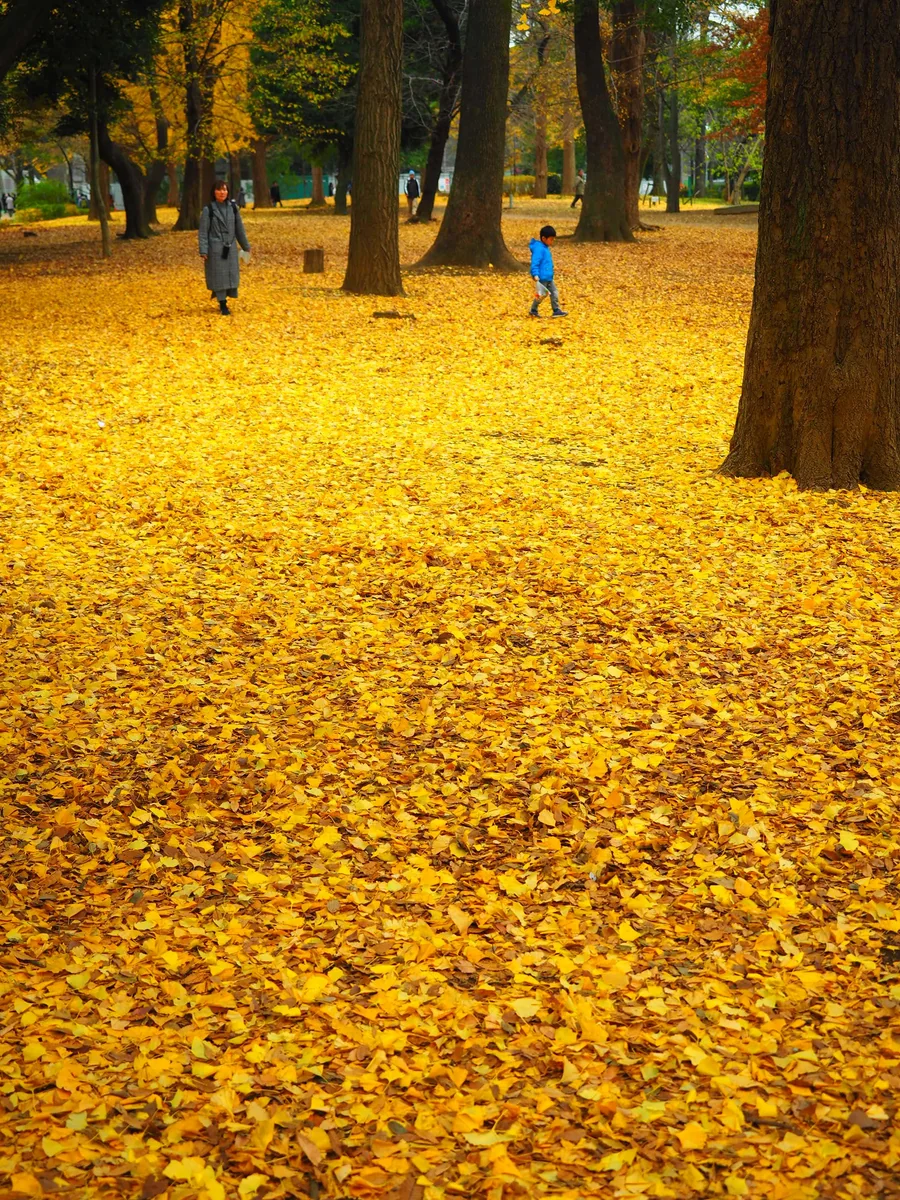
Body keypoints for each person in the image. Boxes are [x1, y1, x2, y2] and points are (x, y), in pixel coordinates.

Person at [198, 179, 251, 316]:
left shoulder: (233, 208)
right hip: (215, 248)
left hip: (231, 247)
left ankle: (226, 298)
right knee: (219, 277)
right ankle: (222, 304)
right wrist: (203, 250)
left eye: (225, 189)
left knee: (230, 275)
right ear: (214, 192)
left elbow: (240, 229)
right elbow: (203, 232)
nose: (222, 192)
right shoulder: (208, 210)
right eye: (220, 189)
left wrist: (246, 246)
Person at [528, 225, 567, 319]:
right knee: (541, 295)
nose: (552, 242)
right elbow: (535, 262)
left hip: (549, 277)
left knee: (554, 292)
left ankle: (556, 310)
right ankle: (533, 309)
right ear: (543, 238)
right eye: (551, 239)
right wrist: (535, 274)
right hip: (542, 277)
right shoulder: (539, 249)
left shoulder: (545, 248)